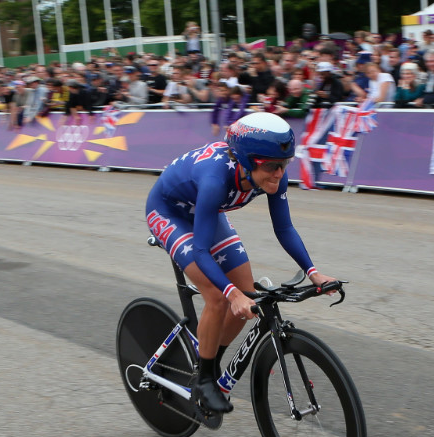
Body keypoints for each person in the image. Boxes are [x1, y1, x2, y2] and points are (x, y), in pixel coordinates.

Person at [144, 112, 336, 413]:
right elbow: (201, 252)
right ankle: (204, 382)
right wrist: (231, 294)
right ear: (247, 160)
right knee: (220, 298)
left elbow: (284, 228)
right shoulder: (215, 178)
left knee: (247, 295)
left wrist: (313, 272)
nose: (279, 173)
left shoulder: (269, 174)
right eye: (272, 165)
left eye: (285, 165)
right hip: (169, 211)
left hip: (207, 210)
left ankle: (208, 361)